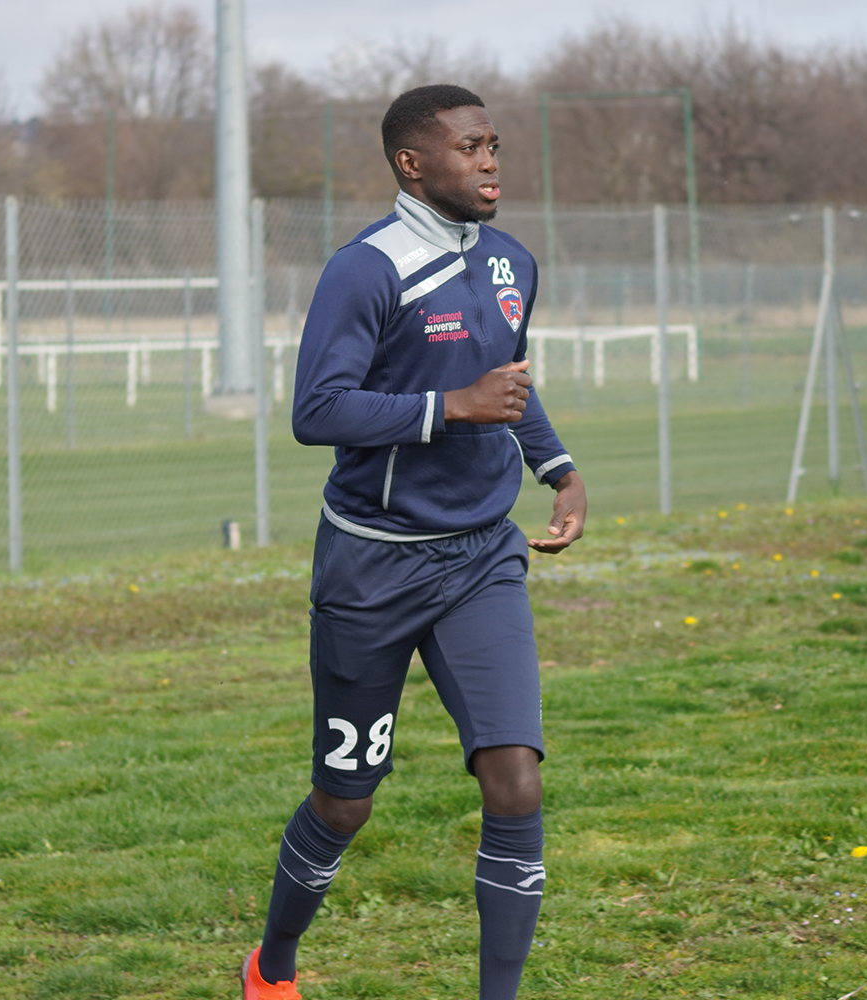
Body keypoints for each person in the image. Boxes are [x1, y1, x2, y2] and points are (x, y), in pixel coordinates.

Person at [240, 85, 586, 1000]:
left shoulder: (513, 261)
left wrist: (556, 467)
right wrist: (451, 408)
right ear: (412, 163)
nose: (489, 161)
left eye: (494, 145)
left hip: (481, 558)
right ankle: (272, 965)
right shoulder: (366, 269)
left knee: (515, 782)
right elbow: (317, 410)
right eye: (469, 147)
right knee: (346, 799)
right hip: (372, 565)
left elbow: (508, 379)